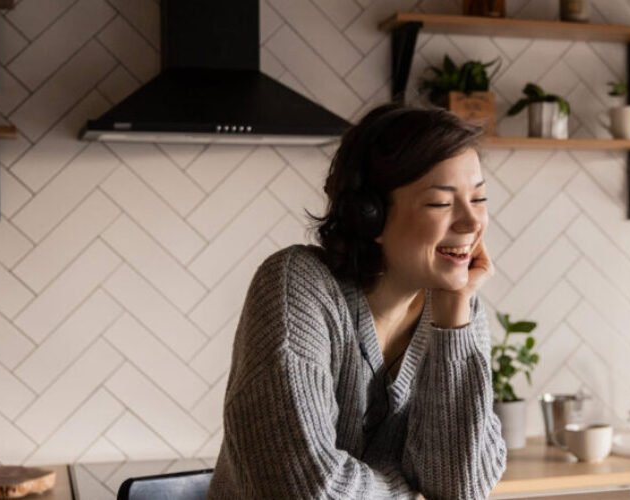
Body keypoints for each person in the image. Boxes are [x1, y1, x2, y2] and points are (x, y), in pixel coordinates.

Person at [207, 103, 507, 499]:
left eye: (479, 199)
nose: (471, 223)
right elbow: (307, 491)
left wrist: (454, 321)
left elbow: (459, 488)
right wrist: (407, 488)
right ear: (371, 216)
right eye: (441, 203)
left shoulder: (459, 311)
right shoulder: (296, 286)